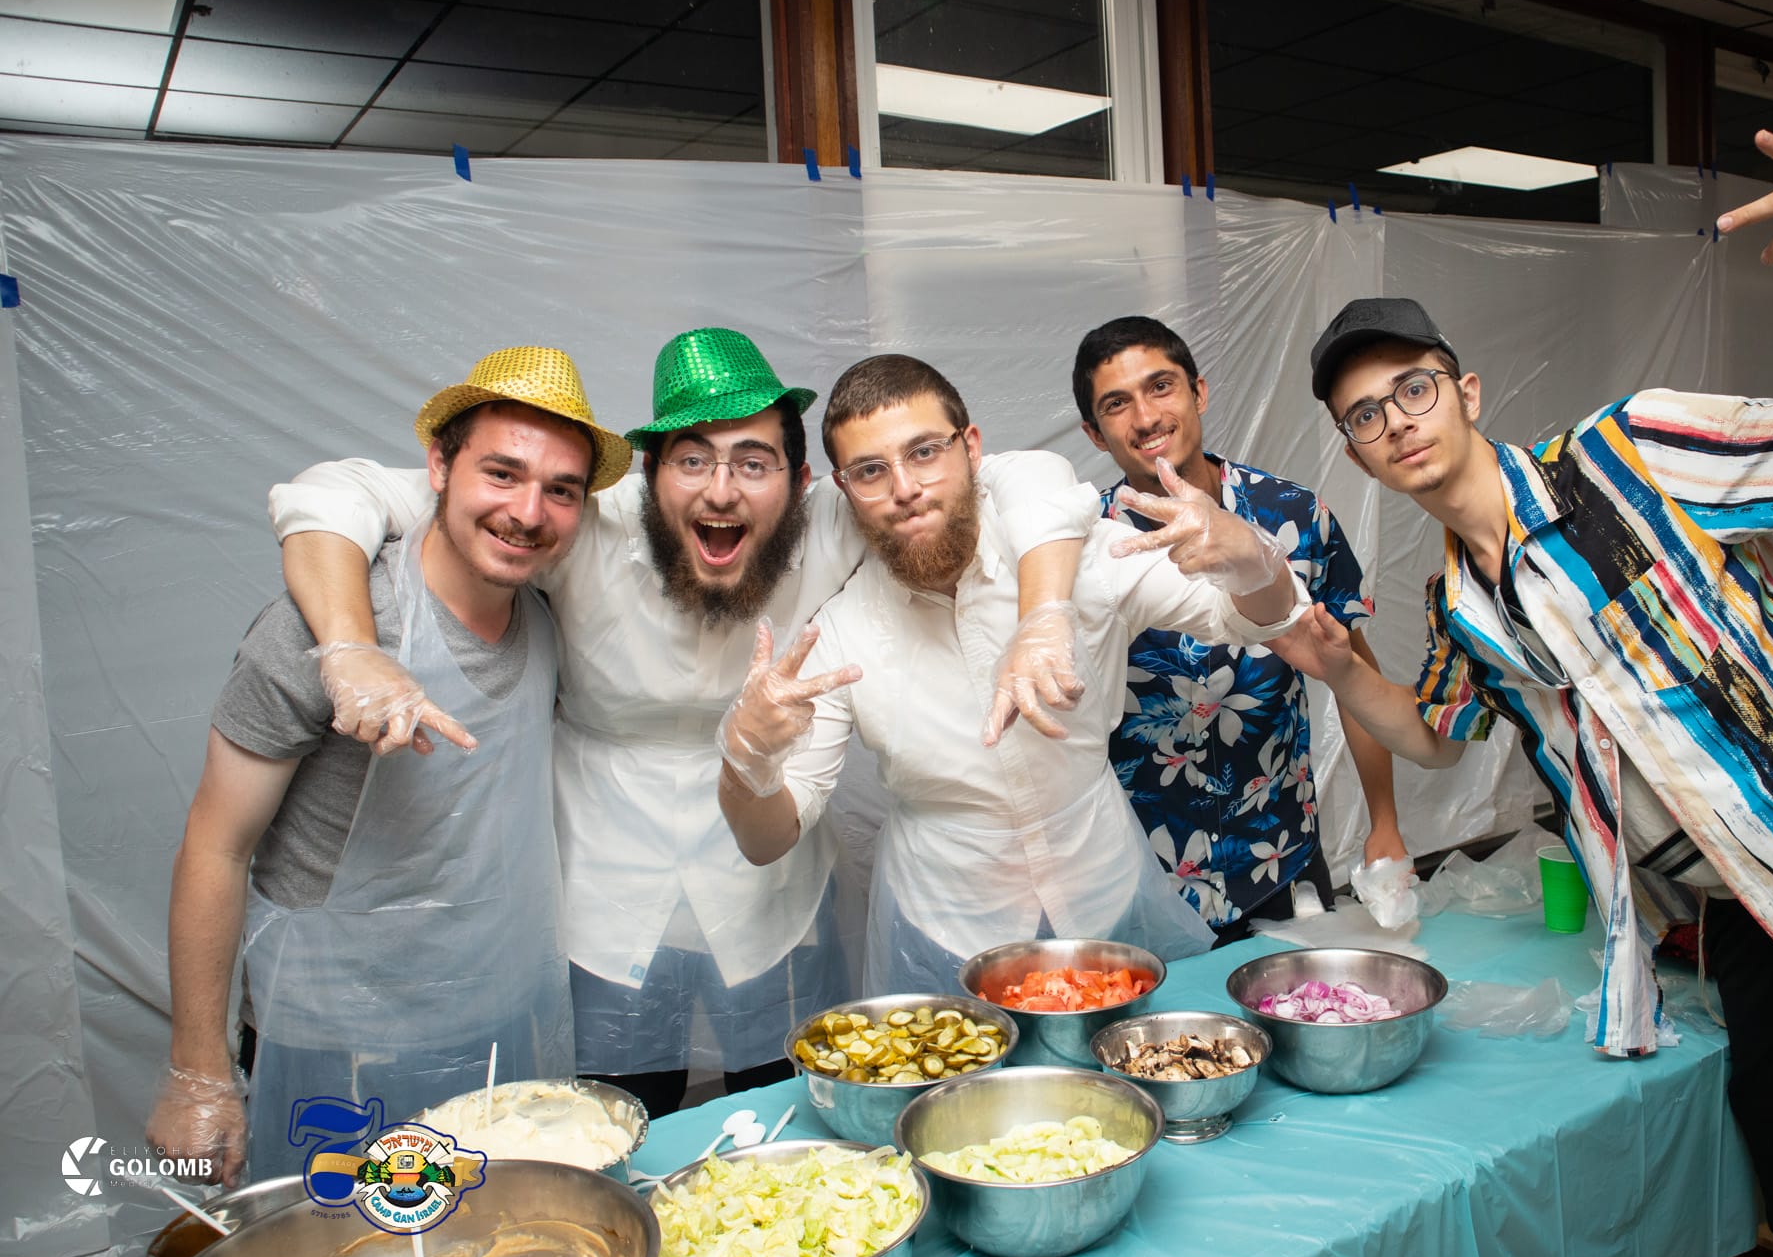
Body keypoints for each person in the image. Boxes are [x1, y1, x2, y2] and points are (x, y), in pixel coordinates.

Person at [1274, 113, 1773, 1257]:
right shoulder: (1457, 604)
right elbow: (1431, 738)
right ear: (1355, 454)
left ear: (1464, 390)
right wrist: (1336, 669)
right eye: (1363, 416)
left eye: (1410, 388)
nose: (1395, 422)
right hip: (1750, 924)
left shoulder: (1631, 450)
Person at [263, 329, 1093, 1115]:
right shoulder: (580, 518)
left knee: (790, 1108)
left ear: (804, 481)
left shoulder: (833, 520)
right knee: (606, 1120)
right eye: (692, 460)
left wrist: (1046, 613)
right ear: (648, 474)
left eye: (754, 462)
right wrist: (348, 645)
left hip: (772, 881)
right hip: (604, 889)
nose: (721, 491)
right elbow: (336, 491)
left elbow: (1017, 477)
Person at [146, 347, 629, 1183]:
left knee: (500, 1239)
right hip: (338, 1045)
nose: (527, 511)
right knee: (346, 1244)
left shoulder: (548, 622)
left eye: (560, 489)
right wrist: (198, 1069)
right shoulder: (326, 629)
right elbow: (214, 845)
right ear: (438, 467)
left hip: (495, 1027)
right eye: (502, 473)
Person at [716, 354, 1310, 994]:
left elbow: (1259, 618)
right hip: (947, 924)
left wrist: (1252, 556)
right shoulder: (838, 631)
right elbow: (767, 840)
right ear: (843, 486)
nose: (905, 488)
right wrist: (746, 765)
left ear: (971, 448)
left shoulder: (1079, 558)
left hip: (1103, 890)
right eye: (870, 471)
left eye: (924, 452)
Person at [1071, 316, 1407, 941]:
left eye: (1161, 387)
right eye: (1116, 404)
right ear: (1094, 432)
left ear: (1198, 392)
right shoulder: (1083, 547)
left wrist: (1384, 821)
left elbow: (1354, 676)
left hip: (1281, 856)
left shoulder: (1294, 516)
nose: (1145, 417)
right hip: (1143, 881)